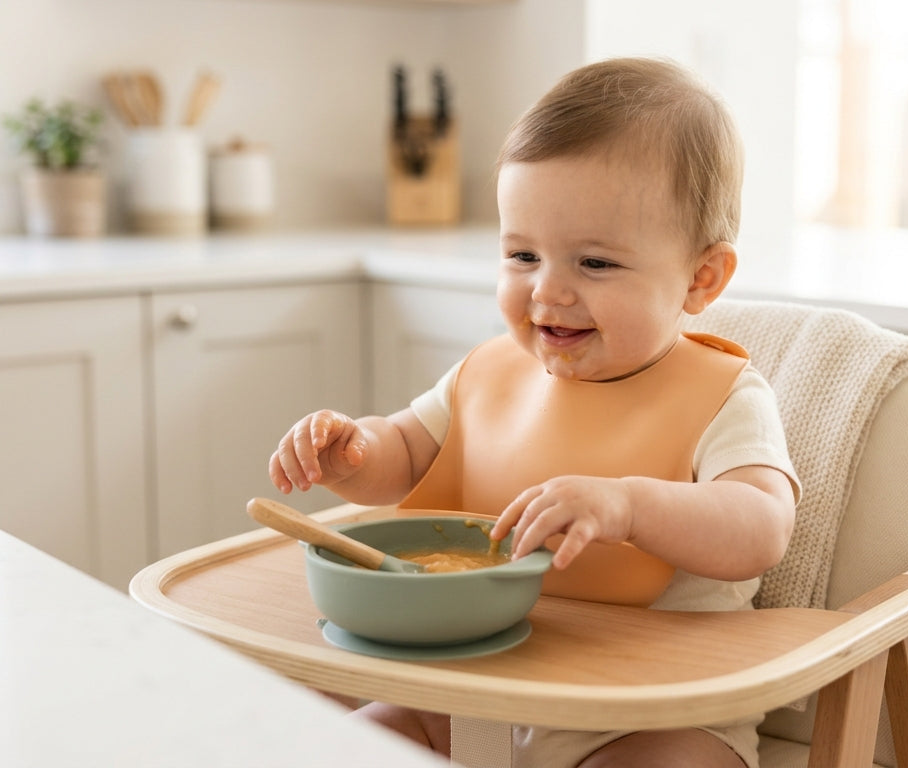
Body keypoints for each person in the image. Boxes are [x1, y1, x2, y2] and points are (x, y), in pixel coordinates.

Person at [270, 57, 800, 768]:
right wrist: (354, 451)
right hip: (474, 688)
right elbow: (403, 453)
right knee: (358, 739)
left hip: (650, 712)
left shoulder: (725, 395)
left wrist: (631, 507)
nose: (547, 292)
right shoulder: (487, 373)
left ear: (702, 279)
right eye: (522, 254)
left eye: (595, 264)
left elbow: (760, 527)